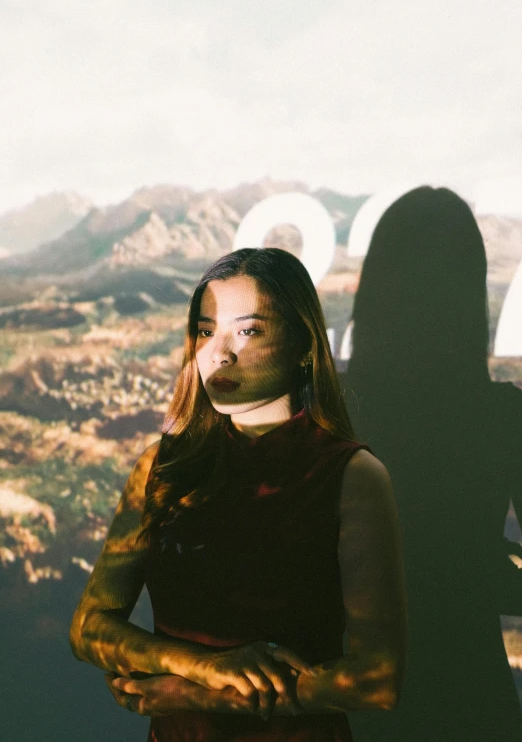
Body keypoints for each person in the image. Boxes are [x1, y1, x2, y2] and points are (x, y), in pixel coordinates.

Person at [70, 246, 406, 742]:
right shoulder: (160, 468)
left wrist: (192, 694)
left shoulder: (352, 475)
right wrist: (198, 666)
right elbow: (89, 626)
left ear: (303, 343)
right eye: (207, 330)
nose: (220, 352)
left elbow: (378, 681)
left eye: (248, 331)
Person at [343, 187, 522, 742]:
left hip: (348, 708)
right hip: (471, 699)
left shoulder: (330, 409)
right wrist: (487, 572)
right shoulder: (502, 418)